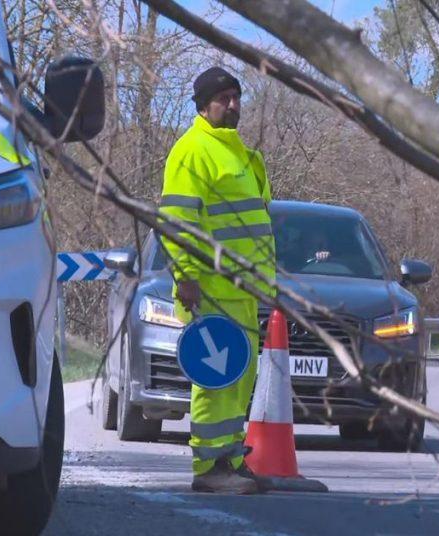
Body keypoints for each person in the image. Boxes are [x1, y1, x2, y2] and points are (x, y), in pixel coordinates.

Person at [158, 67, 275, 494]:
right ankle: (208, 468)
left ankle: (230, 459)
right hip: (211, 289)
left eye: (236, 97)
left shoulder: (236, 152)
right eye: (223, 98)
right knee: (215, 381)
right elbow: (177, 222)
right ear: (203, 105)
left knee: (238, 381)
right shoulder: (192, 151)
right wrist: (186, 277)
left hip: (243, 291)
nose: (232, 105)